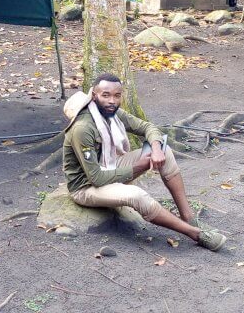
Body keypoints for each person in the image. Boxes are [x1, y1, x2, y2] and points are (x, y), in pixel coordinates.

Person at [62, 73, 226, 251]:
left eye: (117, 96)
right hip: (86, 187)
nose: (112, 101)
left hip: (109, 167)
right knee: (136, 195)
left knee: (165, 150)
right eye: (105, 95)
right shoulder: (83, 128)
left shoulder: (112, 113)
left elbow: (147, 127)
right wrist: (138, 166)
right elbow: (96, 178)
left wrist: (156, 148)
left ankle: (188, 216)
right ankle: (195, 234)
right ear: (94, 96)